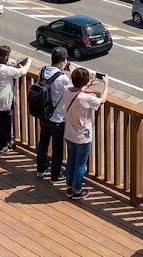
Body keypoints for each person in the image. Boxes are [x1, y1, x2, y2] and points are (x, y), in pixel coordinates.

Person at [59, 67, 108, 200]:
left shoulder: (67, 91)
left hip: (69, 133)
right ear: (84, 82)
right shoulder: (86, 99)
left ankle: (69, 187)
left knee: (71, 160)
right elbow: (102, 101)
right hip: (83, 136)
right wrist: (106, 84)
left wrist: (88, 85)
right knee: (81, 164)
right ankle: (77, 190)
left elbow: (78, 89)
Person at [35, 47, 73, 183]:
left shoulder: (43, 70)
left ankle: (40, 169)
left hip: (44, 114)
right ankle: (55, 176)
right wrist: (71, 72)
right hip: (58, 118)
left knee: (43, 143)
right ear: (63, 62)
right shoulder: (63, 78)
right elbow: (74, 89)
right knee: (57, 149)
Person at [0, 45, 31, 156]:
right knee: (4, 127)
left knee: (1, 126)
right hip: (4, 102)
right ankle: (0, 148)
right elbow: (23, 71)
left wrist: (15, 62)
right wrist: (29, 61)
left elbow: (10, 63)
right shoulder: (5, 70)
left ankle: (5, 145)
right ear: (6, 57)